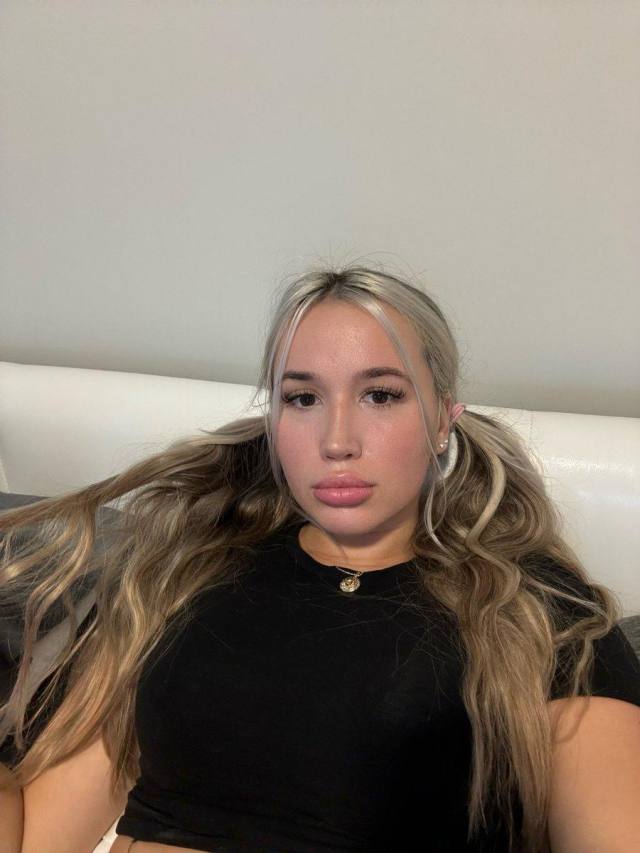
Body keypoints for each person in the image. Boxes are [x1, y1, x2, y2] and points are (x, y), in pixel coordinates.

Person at [1, 264, 639, 853]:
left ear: (444, 418)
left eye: (381, 395)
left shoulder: (540, 614)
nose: (337, 441)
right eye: (303, 399)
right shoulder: (182, 572)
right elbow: (37, 838)